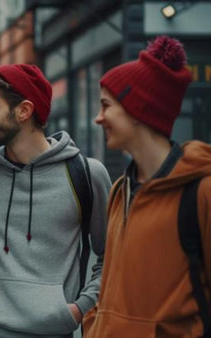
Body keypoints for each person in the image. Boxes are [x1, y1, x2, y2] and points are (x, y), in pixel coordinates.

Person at [0, 64, 112, 337]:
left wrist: (80, 307)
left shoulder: (86, 174)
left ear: (24, 111)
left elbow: (111, 254)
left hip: (53, 331)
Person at [83, 36, 211, 337]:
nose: (98, 118)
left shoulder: (201, 191)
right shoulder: (119, 190)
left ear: (138, 109)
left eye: (106, 105)